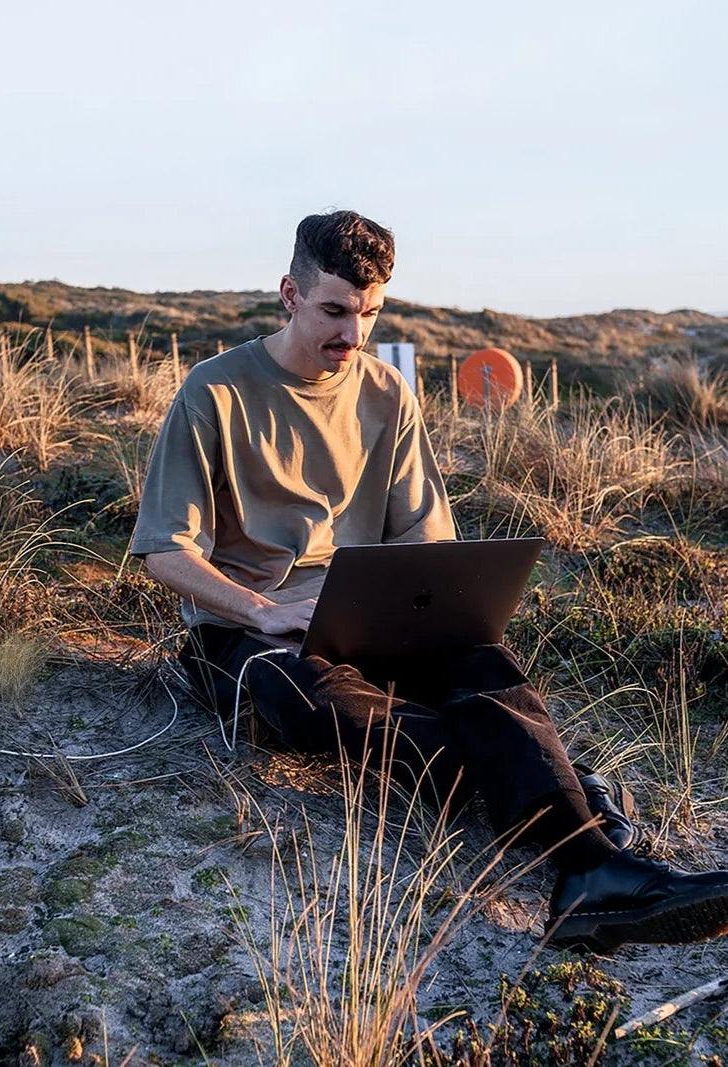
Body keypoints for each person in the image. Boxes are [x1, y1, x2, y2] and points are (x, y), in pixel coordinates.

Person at [130, 209, 728, 953]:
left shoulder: (387, 392)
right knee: (316, 706)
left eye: (370, 313)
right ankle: (572, 791)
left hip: (367, 608)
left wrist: (431, 605)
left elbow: (425, 537)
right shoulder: (212, 392)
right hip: (248, 628)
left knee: (478, 660)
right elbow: (165, 553)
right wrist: (262, 608)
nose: (353, 334)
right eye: (334, 311)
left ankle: (592, 875)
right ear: (288, 294)